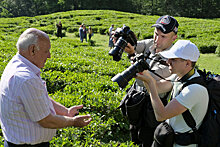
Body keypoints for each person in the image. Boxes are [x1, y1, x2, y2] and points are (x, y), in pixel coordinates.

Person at [0, 28, 92, 147]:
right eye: (46, 51)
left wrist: (65, 112)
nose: (49, 56)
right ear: (32, 50)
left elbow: (39, 99)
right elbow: (45, 120)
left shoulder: (17, 64)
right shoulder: (26, 78)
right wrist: (73, 122)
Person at [115, 15, 179, 146]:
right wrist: (123, 40)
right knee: (134, 135)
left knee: (147, 139)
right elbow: (135, 45)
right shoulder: (151, 44)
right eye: (156, 34)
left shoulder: (174, 59)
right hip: (137, 101)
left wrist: (133, 55)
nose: (157, 39)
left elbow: (148, 79)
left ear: (174, 38)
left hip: (153, 108)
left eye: (163, 36)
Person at [136, 40, 209, 147]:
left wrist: (150, 82)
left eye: (173, 59)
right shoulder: (180, 76)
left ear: (187, 63)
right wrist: (145, 74)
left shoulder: (194, 90)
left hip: (183, 144)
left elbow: (161, 115)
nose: (168, 61)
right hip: (170, 140)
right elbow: (158, 87)